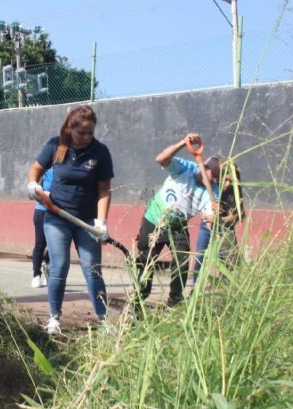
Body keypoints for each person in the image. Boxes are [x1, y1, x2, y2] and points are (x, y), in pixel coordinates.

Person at [26, 106, 114, 334]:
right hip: (57, 217)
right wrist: (33, 184)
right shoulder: (56, 145)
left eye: (90, 133)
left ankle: (104, 321)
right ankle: (54, 318)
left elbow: (104, 189)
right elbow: (36, 168)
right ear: (70, 128)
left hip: (86, 221)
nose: (86, 138)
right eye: (81, 133)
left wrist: (102, 222)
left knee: (93, 270)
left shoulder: (100, 152)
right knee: (59, 267)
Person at [134, 133, 221, 309]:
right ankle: (137, 302)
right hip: (154, 219)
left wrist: (213, 217)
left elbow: (209, 215)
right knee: (146, 261)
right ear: (206, 168)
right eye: (215, 176)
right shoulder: (184, 167)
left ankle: (174, 301)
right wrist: (183, 143)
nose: (216, 181)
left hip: (178, 226)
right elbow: (161, 158)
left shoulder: (214, 190)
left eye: (219, 179)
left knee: (182, 261)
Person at [193, 164, 244, 287]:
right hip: (206, 226)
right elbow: (200, 205)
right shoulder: (210, 188)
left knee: (224, 260)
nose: (227, 184)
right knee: (200, 256)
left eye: (231, 181)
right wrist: (206, 216)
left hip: (225, 229)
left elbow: (234, 218)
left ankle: (223, 288)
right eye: (225, 180)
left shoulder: (235, 195)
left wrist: (218, 219)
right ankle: (195, 288)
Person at [31, 168, 53, 288]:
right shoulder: (45, 172)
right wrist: (44, 193)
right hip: (41, 212)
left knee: (54, 245)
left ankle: (48, 275)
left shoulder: (66, 171)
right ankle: (36, 275)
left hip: (58, 213)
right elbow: (34, 190)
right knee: (40, 244)